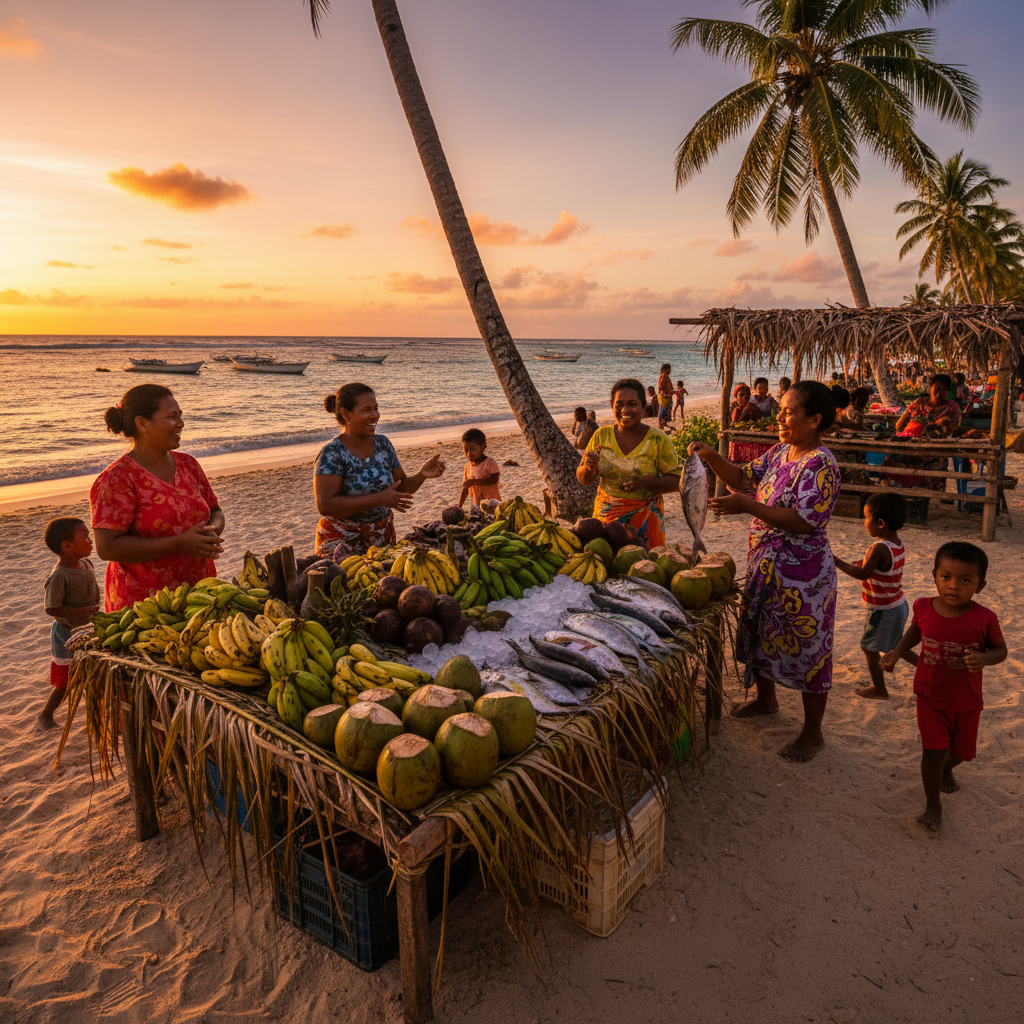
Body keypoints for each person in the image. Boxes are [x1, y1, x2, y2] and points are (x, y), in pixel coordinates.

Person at [687, 381, 840, 762]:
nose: (781, 416)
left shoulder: (821, 463)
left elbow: (805, 521)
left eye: (789, 412)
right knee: (759, 632)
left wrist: (747, 507)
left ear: (815, 419)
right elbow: (742, 478)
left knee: (809, 650)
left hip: (802, 573)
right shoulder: (781, 452)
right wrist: (709, 456)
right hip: (765, 562)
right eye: (782, 410)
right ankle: (766, 700)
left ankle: (812, 733)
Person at [881, 542, 1007, 831]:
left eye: (965, 580)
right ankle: (933, 805)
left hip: (967, 699)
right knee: (932, 753)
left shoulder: (985, 618)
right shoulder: (924, 606)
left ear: (980, 585)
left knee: (962, 753)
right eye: (946, 576)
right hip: (929, 694)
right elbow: (915, 631)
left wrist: (984, 659)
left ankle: (948, 769)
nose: (953, 586)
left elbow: (1001, 650)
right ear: (934, 575)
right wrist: (898, 651)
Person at [91, 385, 224, 612]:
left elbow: (215, 510)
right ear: (142, 424)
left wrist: (211, 532)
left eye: (181, 416)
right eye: (172, 417)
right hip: (144, 606)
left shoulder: (189, 464)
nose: (181, 424)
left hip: (199, 594)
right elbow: (107, 548)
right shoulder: (117, 479)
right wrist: (179, 543)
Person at [314, 382, 445, 558]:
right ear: (346, 414)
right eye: (366, 410)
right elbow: (325, 504)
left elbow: (400, 488)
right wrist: (379, 499)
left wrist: (422, 475)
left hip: (381, 538)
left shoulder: (383, 444)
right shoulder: (332, 453)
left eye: (376, 408)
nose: (375, 415)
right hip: (341, 542)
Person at [577, 378, 680, 548]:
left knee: (644, 568)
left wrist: (650, 483)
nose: (625, 410)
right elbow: (583, 479)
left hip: (646, 522)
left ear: (643, 406)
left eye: (632, 404)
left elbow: (678, 481)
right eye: (619, 404)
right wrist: (589, 467)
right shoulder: (601, 436)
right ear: (612, 405)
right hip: (605, 520)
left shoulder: (657, 439)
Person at [833, 493, 910, 701]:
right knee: (896, 644)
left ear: (881, 523)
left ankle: (879, 689)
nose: (864, 521)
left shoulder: (879, 547)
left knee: (868, 648)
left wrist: (836, 561)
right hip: (898, 604)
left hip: (882, 609)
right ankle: (929, 669)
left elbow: (863, 574)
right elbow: (881, 568)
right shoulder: (896, 542)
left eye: (866, 517)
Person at [40, 518, 100, 728]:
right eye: (85, 538)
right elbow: (51, 608)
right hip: (66, 632)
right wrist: (82, 611)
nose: (90, 541)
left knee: (93, 671)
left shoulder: (86, 564)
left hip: (88, 628)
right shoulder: (59, 576)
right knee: (66, 681)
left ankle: (97, 714)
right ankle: (46, 715)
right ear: (67, 546)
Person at [894, 373, 961, 438]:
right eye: (937, 389)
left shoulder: (952, 407)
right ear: (930, 387)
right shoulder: (919, 402)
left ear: (948, 391)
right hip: (908, 439)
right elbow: (899, 426)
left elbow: (953, 430)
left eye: (944, 390)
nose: (939, 393)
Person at [458, 428, 501, 508]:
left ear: (482, 447)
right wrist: (459, 506)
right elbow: (465, 488)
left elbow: (494, 479)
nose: (469, 453)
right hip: (476, 506)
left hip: (492, 505)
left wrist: (474, 482)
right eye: (466, 450)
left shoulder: (490, 462)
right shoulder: (467, 467)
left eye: (472, 449)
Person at [657, 363, 675, 431]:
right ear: (666, 369)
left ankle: (662, 427)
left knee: (663, 413)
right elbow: (661, 387)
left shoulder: (663, 376)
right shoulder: (664, 376)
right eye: (669, 369)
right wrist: (666, 393)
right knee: (663, 413)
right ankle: (661, 428)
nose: (670, 371)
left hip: (665, 397)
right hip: (665, 397)